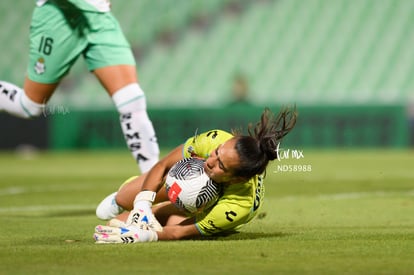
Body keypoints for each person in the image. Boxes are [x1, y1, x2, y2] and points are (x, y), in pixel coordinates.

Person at [93, 106, 297, 243]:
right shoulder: (214, 139)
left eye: (221, 166)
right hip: (189, 177)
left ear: (237, 178)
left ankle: (165, 208)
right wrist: (143, 203)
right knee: (124, 197)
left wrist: (142, 235)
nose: (210, 161)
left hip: (210, 209)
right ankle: (126, 199)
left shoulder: (236, 207)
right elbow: (164, 165)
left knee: (121, 223)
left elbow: (179, 232)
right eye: (217, 153)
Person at [0, 0, 159, 173]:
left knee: (131, 99)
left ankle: (153, 180)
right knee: (29, 106)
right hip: (59, 15)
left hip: (99, 18)